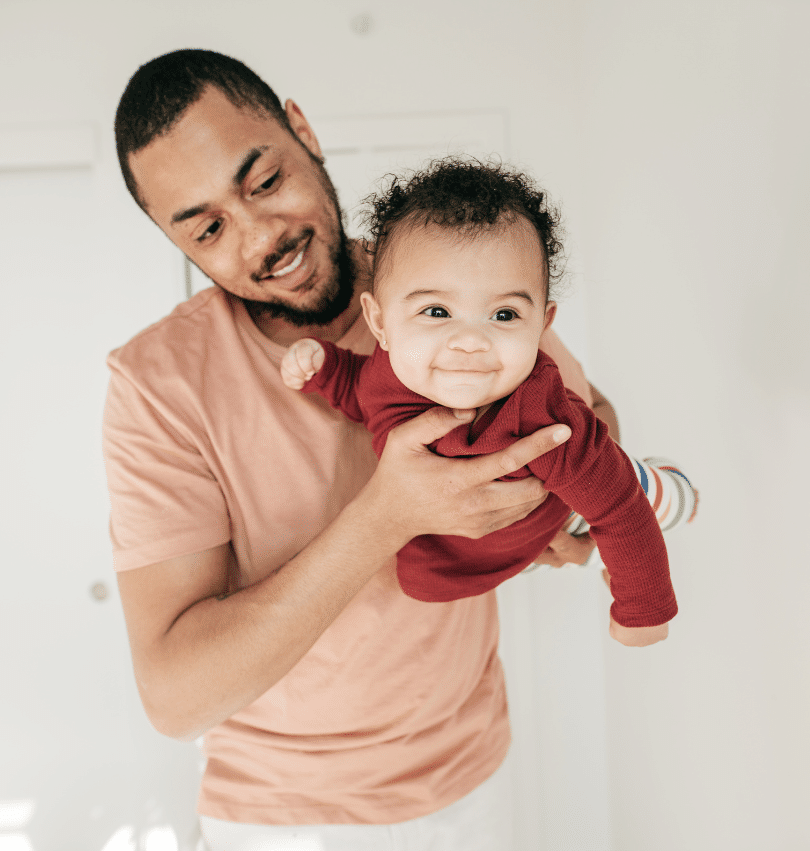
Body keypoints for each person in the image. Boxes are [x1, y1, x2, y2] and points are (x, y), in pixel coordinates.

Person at [104, 48, 658, 848]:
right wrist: (388, 514)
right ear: (173, 238)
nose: (263, 236)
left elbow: (586, 424)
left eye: (264, 182)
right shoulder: (155, 384)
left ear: (303, 130)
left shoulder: (443, 282)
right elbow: (177, 698)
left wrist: (548, 506)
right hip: (276, 818)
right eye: (210, 228)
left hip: (468, 781)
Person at [280, 157, 677, 645]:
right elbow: (360, 392)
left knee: (645, 495)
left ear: (543, 324)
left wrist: (643, 611)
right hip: (489, 548)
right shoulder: (389, 373)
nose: (470, 341)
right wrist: (323, 367)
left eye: (504, 314)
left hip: (558, 511)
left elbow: (620, 509)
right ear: (380, 323)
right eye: (437, 311)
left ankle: (672, 487)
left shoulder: (540, 415)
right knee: (425, 579)